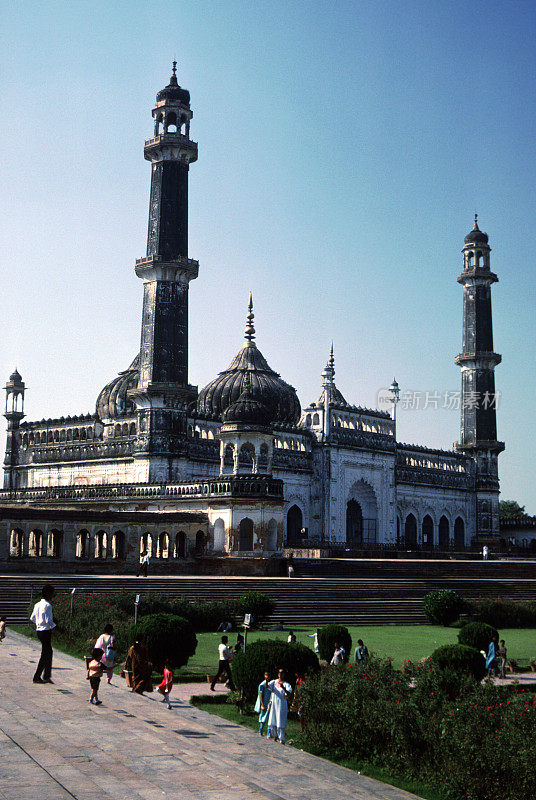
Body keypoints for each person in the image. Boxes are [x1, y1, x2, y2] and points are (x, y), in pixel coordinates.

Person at [30, 584, 56, 684]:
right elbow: (49, 621)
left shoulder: (37, 604)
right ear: (49, 594)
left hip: (39, 631)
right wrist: (57, 628)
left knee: (48, 652)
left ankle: (46, 675)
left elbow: (32, 618)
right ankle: (37, 676)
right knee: (45, 654)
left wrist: (39, 624)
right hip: (46, 631)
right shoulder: (48, 605)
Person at [267, 668, 293, 743]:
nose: (280, 674)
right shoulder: (274, 682)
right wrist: (266, 680)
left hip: (281, 704)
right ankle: (275, 736)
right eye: (279, 672)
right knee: (273, 719)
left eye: (282, 673)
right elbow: (268, 687)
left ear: (284, 674)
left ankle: (281, 738)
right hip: (274, 704)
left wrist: (283, 688)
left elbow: (289, 694)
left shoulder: (286, 684)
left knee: (280, 721)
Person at [254, 671, 272, 735]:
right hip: (264, 703)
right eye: (266, 675)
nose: (267, 677)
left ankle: (269, 733)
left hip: (269, 703)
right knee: (263, 717)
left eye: (268, 675)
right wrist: (262, 705)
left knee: (270, 718)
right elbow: (260, 695)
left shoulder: (270, 684)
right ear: (264, 676)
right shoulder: (262, 685)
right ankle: (260, 730)